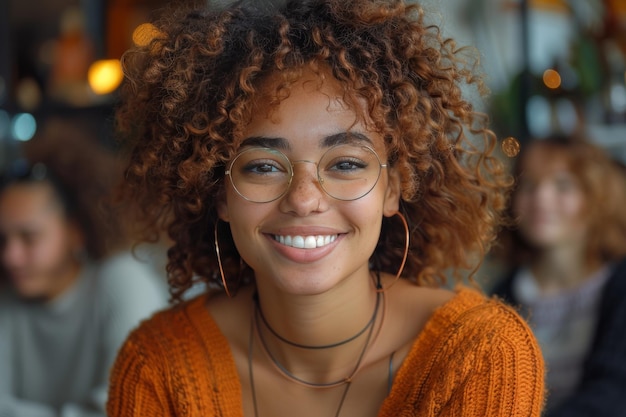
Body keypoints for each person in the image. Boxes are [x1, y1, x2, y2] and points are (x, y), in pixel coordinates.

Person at [107, 1, 545, 416]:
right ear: (220, 194)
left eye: (346, 164)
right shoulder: (158, 366)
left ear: (393, 188)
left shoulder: (481, 355)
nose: (303, 199)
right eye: (262, 166)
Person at [0, 119, 168, 417]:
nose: (10, 256)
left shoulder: (122, 282)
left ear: (75, 231)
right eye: (3, 239)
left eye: (29, 237)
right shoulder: (8, 300)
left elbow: (129, 410)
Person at [490, 134, 626, 416]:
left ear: (596, 197)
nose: (541, 198)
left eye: (563, 185)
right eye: (528, 185)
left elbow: (615, 391)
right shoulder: (499, 299)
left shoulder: (620, 286)